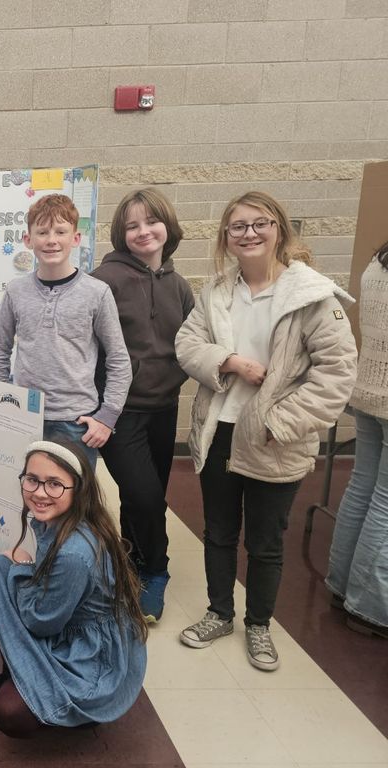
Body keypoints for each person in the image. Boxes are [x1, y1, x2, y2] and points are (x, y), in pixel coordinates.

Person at [176, 191, 357, 670]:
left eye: (260, 223)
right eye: (238, 226)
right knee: (217, 532)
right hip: (219, 432)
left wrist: (281, 422)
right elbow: (188, 342)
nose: (249, 233)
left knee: (265, 541)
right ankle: (220, 613)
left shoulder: (311, 296)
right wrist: (228, 361)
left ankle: (259, 625)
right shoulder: (217, 291)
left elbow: (336, 373)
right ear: (226, 238)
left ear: (279, 228)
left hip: (275, 438)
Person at [0, 440, 147, 738]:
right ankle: (17, 673)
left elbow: (41, 622)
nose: (39, 492)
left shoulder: (75, 552)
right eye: (32, 480)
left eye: (55, 484)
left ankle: (76, 708)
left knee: (8, 712)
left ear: (78, 489)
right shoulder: (65, 519)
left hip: (88, 657)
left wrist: (23, 567)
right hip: (67, 624)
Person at [92, 189, 194, 623]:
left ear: (167, 226)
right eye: (132, 225)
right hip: (120, 410)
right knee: (147, 496)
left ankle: (131, 564)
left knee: (145, 498)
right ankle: (157, 571)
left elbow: (193, 342)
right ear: (121, 233)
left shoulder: (178, 284)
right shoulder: (105, 281)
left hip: (165, 406)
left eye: (151, 222)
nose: (142, 231)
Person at [0, 194, 131, 465]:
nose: (51, 239)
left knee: (74, 502)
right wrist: (3, 396)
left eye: (61, 231)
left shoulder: (97, 292)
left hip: (75, 423)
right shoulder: (16, 291)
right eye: (42, 232)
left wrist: (108, 416)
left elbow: (118, 358)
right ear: (28, 240)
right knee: (24, 497)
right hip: (24, 418)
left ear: (75, 239)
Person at [326, 239, 388, 639]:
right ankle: (369, 607)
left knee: (363, 487)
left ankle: (341, 583)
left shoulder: (377, 261)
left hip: (368, 389)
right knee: (384, 500)